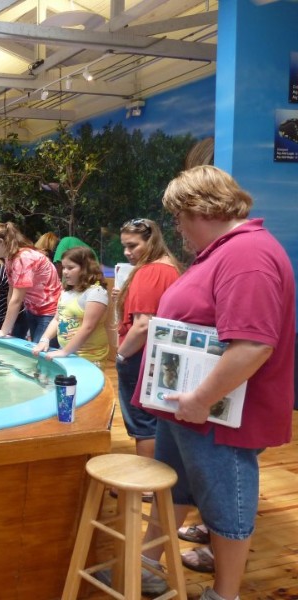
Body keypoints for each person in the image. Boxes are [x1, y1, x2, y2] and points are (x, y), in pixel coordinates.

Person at [137, 166, 295, 600]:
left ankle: (224, 594)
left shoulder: (248, 256)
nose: (178, 229)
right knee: (176, 484)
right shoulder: (226, 251)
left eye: (177, 217)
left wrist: (201, 399)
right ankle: (148, 564)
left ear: (197, 209)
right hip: (189, 408)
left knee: (227, 503)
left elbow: (253, 345)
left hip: (214, 414)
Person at [115, 218, 181, 463]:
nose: (127, 252)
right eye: (124, 246)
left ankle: (146, 482)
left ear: (150, 241)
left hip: (140, 355)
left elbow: (143, 324)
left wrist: (121, 354)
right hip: (161, 355)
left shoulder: (149, 271)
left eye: (133, 246)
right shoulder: (171, 267)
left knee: (142, 421)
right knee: (157, 418)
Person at [0, 222, 62, 343]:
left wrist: (3, 331)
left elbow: (17, 300)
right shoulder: (9, 257)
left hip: (49, 312)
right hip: (33, 310)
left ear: (0, 242)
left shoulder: (23, 258)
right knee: (35, 352)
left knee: (41, 353)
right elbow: (11, 292)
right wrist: (8, 327)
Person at [32, 246, 110, 363]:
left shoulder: (96, 292)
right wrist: (45, 339)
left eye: (70, 268)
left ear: (86, 268)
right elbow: (57, 320)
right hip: (68, 352)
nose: (65, 272)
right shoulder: (66, 292)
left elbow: (88, 327)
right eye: (64, 267)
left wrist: (65, 352)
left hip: (89, 357)